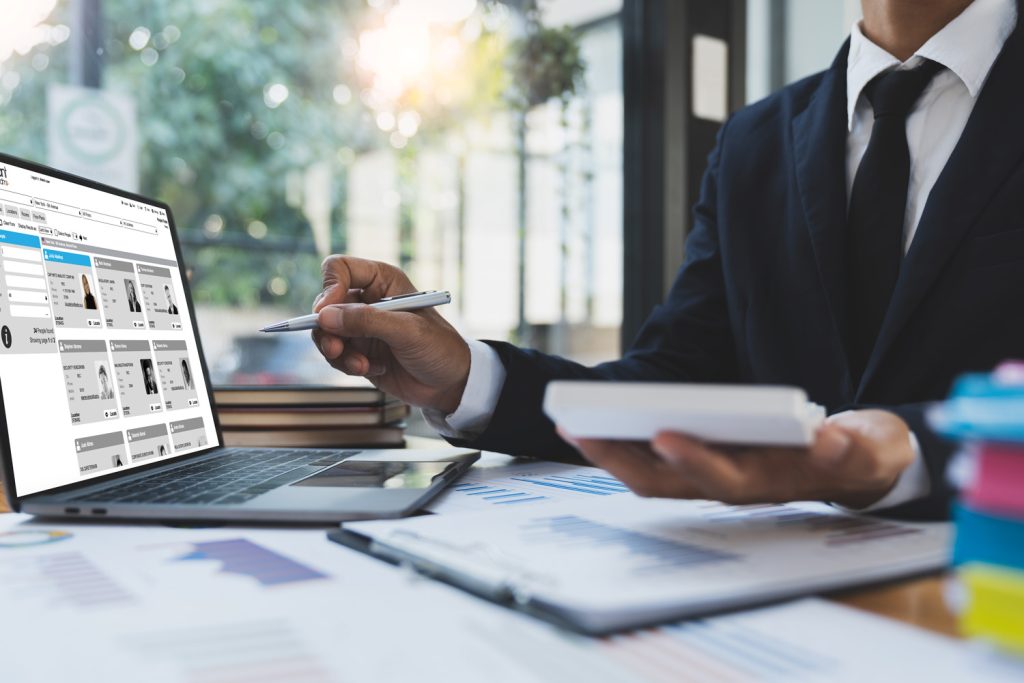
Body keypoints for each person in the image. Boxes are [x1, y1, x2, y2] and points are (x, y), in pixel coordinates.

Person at [311, 0, 1023, 520]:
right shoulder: (754, 143)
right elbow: (673, 375)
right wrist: (467, 375)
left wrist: (910, 448)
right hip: (780, 605)